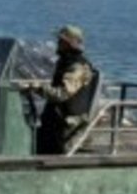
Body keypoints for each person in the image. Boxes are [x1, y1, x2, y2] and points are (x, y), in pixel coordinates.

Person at [24, 25, 100, 155]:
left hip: (68, 123)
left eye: (60, 41)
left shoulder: (78, 67)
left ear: (68, 43)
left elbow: (61, 94)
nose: (57, 44)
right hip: (57, 117)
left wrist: (37, 87)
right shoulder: (65, 62)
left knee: (49, 148)